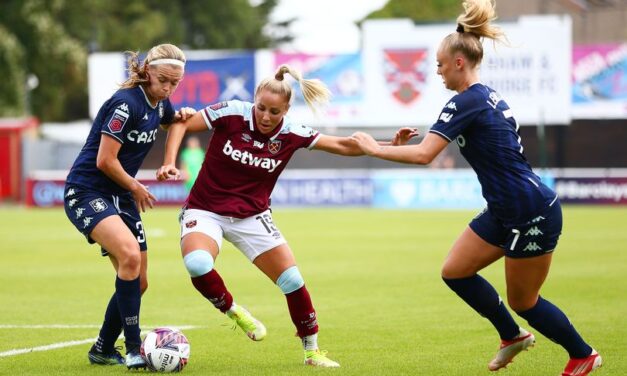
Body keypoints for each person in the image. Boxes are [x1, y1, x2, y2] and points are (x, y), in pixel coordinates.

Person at [350, 1, 602, 375]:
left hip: (530, 211)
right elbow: (428, 146)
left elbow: (424, 156)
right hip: (506, 209)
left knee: (525, 301)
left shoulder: (466, 100)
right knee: (455, 271)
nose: (436, 72)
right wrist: (390, 144)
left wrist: (374, 148)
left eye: (438, 64)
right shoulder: (483, 98)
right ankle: (512, 337)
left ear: (458, 63)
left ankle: (583, 355)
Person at [156, 64, 415, 368]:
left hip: (253, 215)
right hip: (205, 209)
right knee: (198, 263)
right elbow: (180, 123)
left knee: (292, 280)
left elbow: (343, 144)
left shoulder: (292, 132)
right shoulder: (232, 112)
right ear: (254, 100)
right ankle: (234, 311)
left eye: (275, 112)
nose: (266, 116)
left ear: (287, 110)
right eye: (262, 108)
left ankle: (312, 351)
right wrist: (169, 162)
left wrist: (386, 148)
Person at [63, 43, 194, 369]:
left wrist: (168, 159)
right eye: (163, 80)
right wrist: (136, 185)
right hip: (86, 191)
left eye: (175, 83)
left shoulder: (158, 104)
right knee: (131, 256)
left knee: (140, 281)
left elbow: (174, 121)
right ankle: (135, 349)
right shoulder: (126, 104)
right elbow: (104, 160)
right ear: (147, 71)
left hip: (120, 195)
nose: (168, 89)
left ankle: (104, 348)